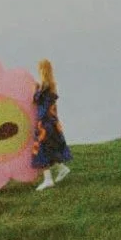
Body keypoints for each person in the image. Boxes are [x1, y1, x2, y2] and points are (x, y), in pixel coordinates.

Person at [32, 60, 72, 191]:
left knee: (42, 150)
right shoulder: (51, 85)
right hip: (52, 122)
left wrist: (35, 90)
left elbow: (36, 101)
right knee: (50, 149)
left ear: (42, 70)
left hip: (44, 124)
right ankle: (62, 169)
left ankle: (48, 180)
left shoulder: (44, 87)